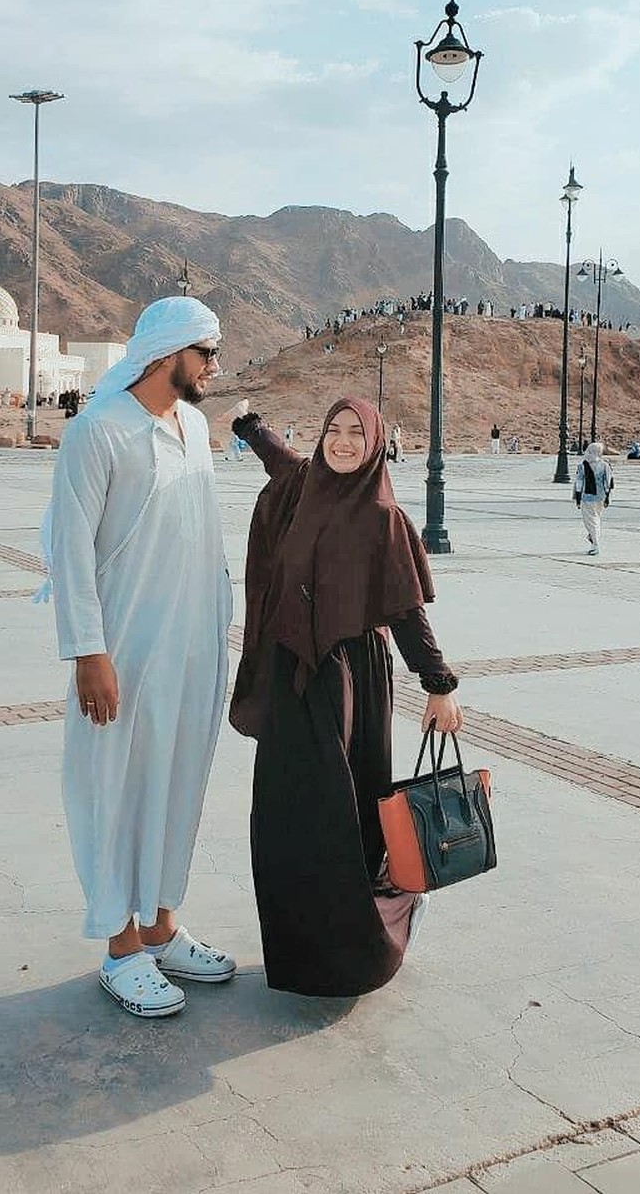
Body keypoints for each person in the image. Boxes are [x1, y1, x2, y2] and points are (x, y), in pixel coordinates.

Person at [230, 396, 462, 998]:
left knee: (343, 820)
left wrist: (438, 685)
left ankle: (354, 956)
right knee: (285, 821)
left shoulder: (382, 517)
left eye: (356, 433)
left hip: (350, 684)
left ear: (377, 443)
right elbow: (278, 461)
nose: (341, 441)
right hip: (291, 679)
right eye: (333, 428)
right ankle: (300, 958)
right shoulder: (304, 487)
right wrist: (250, 425)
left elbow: (406, 613)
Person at [43, 296, 235, 1019]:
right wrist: (88, 653)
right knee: (115, 788)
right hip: (122, 649)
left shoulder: (193, 425)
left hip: (191, 648)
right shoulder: (98, 433)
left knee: (175, 782)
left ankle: (159, 925)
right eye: (206, 353)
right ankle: (121, 947)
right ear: (168, 355)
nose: (214, 366)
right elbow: (71, 550)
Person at [573, 440, 614, 556]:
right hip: (601, 497)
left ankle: (595, 543)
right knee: (595, 519)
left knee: (591, 522)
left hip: (587, 497)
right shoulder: (605, 465)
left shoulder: (583, 466)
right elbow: (608, 483)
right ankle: (593, 537)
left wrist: (577, 497)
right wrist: (607, 497)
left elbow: (579, 483)